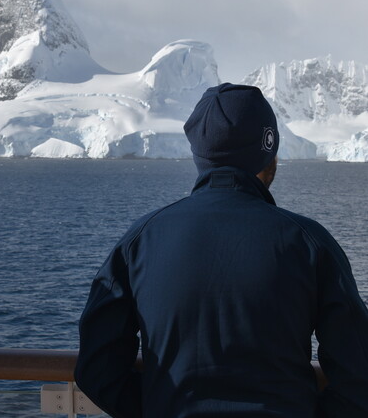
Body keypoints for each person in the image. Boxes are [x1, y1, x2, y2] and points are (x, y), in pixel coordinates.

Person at [75, 83, 368, 418]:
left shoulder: (139, 241)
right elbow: (359, 373)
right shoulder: (310, 243)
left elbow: (96, 367)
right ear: (268, 149)